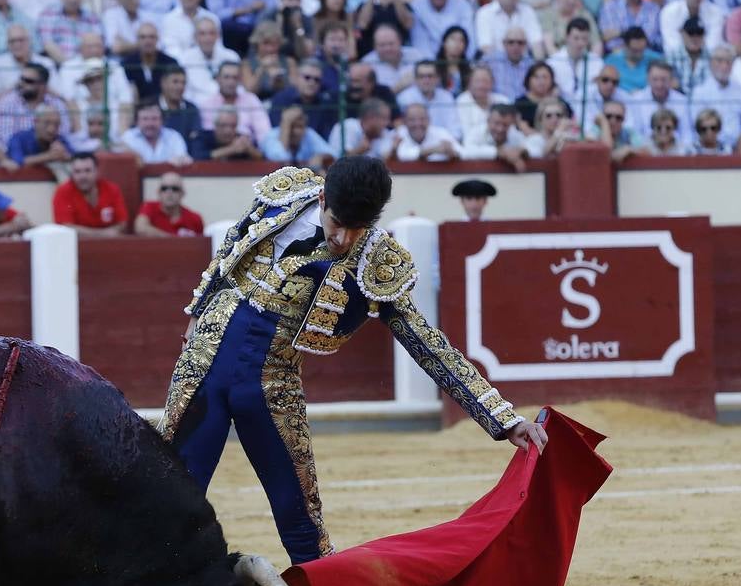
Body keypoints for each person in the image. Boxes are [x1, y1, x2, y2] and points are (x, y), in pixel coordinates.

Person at [163, 159, 547, 564]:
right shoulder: (285, 194)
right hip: (202, 363)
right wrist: (196, 311)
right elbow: (231, 247)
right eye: (337, 223)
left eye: (357, 229)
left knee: (301, 516)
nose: (343, 239)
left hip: (270, 382)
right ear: (322, 197)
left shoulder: (376, 259)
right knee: (171, 502)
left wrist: (501, 418)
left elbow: (426, 342)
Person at [51, 152, 126, 236]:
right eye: (77, 171)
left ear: (97, 171)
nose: (83, 176)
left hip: (109, 245)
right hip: (77, 246)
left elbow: (122, 223)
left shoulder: (112, 189)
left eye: (87, 170)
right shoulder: (63, 192)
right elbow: (66, 227)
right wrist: (102, 234)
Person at [135, 171, 204, 236]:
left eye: (175, 189)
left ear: (182, 193)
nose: (169, 193)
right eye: (164, 188)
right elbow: (141, 228)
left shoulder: (195, 218)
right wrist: (173, 240)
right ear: (158, 192)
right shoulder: (149, 207)